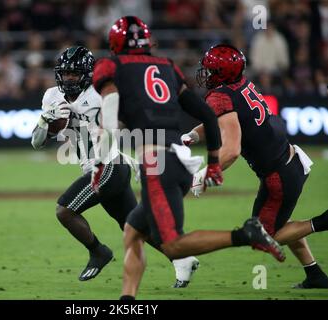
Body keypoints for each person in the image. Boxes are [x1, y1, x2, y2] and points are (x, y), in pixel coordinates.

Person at [91, 16, 285, 300]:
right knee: (133, 232)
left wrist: (100, 162)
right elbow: (206, 115)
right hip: (180, 160)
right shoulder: (167, 66)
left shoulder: (111, 66)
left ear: (116, 43)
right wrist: (214, 161)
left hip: (157, 162)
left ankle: (245, 234)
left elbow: (109, 114)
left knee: (172, 245)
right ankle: (127, 300)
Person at [31, 46, 199, 285]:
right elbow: (37, 142)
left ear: (88, 74)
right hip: (100, 168)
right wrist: (45, 119)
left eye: (74, 74)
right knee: (133, 224)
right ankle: (181, 258)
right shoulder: (51, 96)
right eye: (65, 73)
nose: (68, 78)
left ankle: (98, 251)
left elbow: (126, 124)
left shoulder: (101, 94)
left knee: (65, 210)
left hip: (109, 166)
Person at [183, 44, 328, 289]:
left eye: (210, 69)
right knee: (280, 223)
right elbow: (223, 121)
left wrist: (203, 175)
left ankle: (323, 222)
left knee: (262, 235)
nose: (205, 74)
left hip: (278, 176)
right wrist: (193, 136)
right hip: (288, 162)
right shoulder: (240, 85)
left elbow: (231, 150)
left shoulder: (220, 95)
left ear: (221, 72)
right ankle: (315, 275)